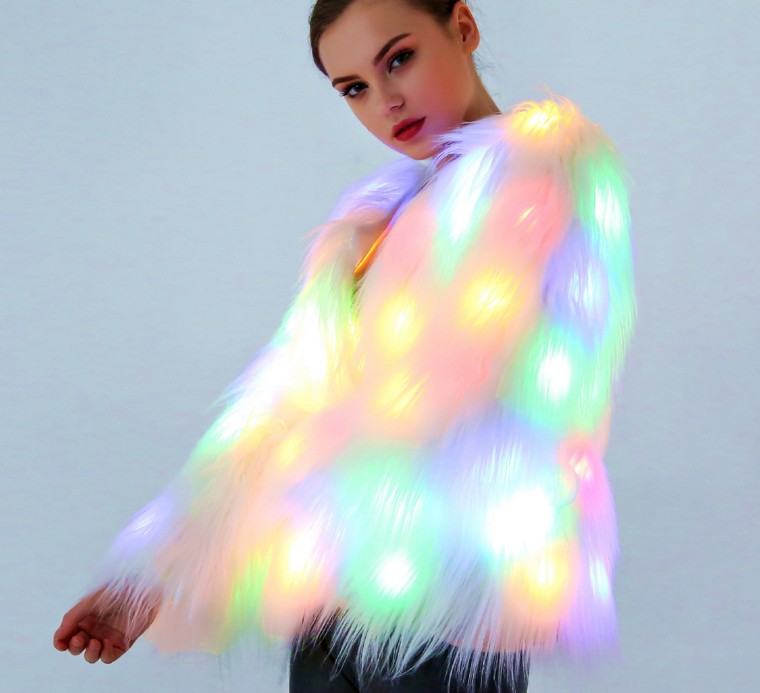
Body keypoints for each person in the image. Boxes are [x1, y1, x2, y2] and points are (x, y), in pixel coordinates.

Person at [54, 1, 637, 691]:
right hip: (334, 603)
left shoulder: (543, 168)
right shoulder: (374, 222)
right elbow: (283, 398)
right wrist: (156, 573)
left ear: (462, 27)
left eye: (399, 59)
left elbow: (448, 384)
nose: (386, 101)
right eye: (354, 87)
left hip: (446, 611)